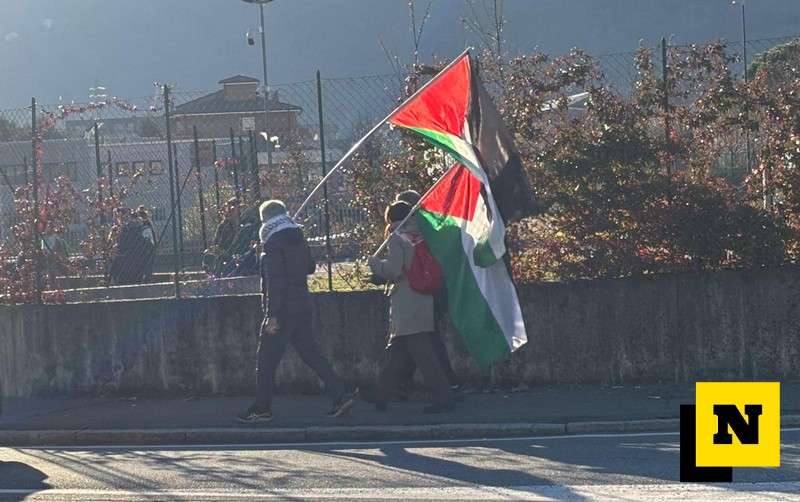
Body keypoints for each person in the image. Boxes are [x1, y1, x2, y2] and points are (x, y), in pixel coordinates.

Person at [237, 199, 357, 423]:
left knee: (266, 361)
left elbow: (275, 281)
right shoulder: (298, 238)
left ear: (266, 220)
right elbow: (310, 267)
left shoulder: (272, 244)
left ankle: (261, 408)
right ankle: (340, 395)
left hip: (282, 311)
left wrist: (271, 314)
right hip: (302, 305)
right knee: (311, 353)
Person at [367, 201, 455, 413]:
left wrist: (374, 264)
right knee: (399, 351)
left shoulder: (397, 236)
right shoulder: (422, 232)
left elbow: (394, 269)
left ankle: (444, 398)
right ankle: (380, 395)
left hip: (407, 298)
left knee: (423, 353)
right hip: (423, 295)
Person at [393, 190, 459, 396]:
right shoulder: (431, 228)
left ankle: (447, 386)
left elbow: (399, 266)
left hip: (421, 291)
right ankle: (399, 382)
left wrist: (378, 268)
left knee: (425, 340)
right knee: (416, 341)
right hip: (438, 288)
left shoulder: (408, 232)